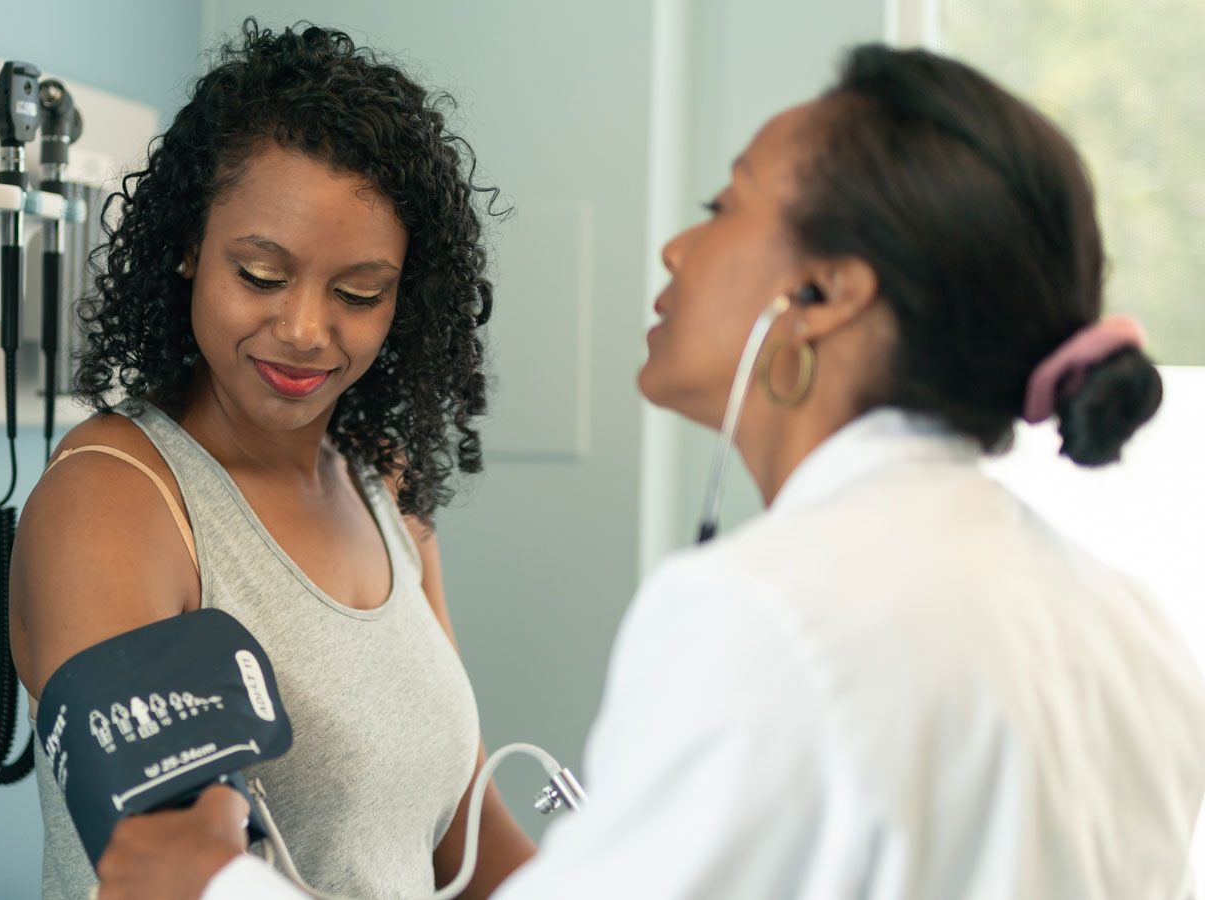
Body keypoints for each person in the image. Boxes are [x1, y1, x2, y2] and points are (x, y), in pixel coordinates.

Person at [89, 44, 1205, 900]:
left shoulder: (772, 616)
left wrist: (216, 887)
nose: (677, 248)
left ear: (820, 297)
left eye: (724, 207)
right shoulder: (1126, 626)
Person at [7, 21, 537, 900]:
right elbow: (175, 869)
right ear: (188, 247)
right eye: (260, 274)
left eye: (359, 292)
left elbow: (468, 836)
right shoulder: (115, 503)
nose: (303, 331)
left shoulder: (384, 483)